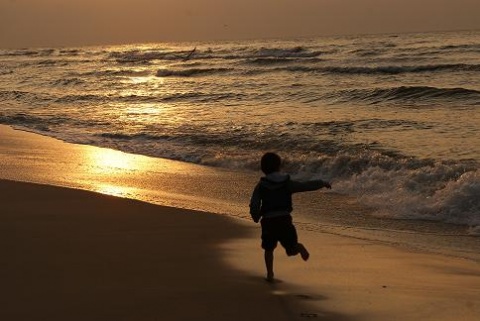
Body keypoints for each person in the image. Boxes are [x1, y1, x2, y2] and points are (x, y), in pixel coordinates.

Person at [249, 152, 331, 282]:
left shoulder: (261, 185)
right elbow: (305, 185)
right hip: (284, 220)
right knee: (291, 249)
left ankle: (270, 274)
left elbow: (254, 203)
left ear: (263, 168)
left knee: (268, 248)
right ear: (279, 166)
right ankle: (298, 247)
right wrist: (322, 183)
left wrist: (255, 216)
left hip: (269, 221)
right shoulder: (286, 183)